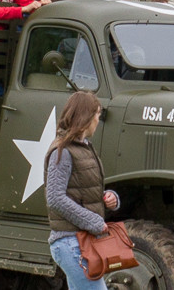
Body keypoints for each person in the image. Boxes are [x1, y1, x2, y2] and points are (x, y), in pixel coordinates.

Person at [45, 90, 121, 290]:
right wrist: (94, 221)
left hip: (81, 242)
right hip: (71, 243)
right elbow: (55, 198)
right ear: (86, 117)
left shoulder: (84, 148)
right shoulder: (63, 151)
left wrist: (110, 198)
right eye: (97, 114)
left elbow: (84, 190)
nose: (98, 120)